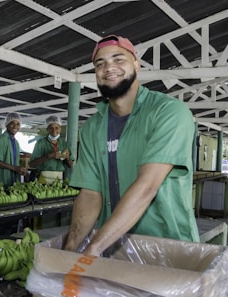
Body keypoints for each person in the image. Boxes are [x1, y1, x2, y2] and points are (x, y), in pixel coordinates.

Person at [64, 35, 199, 256]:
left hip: (170, 251)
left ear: (137, 65)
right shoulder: (92, 127)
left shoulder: (169, 112)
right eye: (100, 64)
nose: (109, 68)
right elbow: (90, 194)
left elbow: (147, 186)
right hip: (114, 249)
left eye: (118, 59)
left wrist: (94, 248)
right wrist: (69, 251)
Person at [0, 112, 28, 188]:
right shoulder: (1, 139)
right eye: (12, 123)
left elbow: (14, 163)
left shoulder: (16, 143)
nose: (15, 126)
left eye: (18, 124)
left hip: (12, 183)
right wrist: (15, 168)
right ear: (7, 124)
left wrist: (22, 171)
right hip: (0, 183)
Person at [29, 115, 74, 182]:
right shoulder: (41, 143)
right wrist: (49, 156)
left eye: (56, 128)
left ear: (60, 129)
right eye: (51, 128)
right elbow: (32, 164)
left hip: (59, 178)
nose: (54, 130)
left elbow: (70, 165)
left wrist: (67, 158)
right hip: (44, 177)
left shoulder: (64, 143)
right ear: (47, 129)